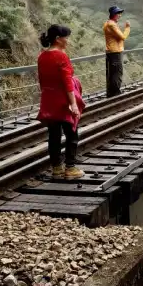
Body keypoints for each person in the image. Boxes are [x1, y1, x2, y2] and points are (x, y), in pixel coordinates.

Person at [37, 25, 85, 180]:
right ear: (58, 39)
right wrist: (73, 104)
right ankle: (70, 168)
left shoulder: (42, 56)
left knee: (54, 135)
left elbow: (42, 81)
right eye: (66, 37)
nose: (67, 41)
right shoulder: (61, 56)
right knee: (72, 132)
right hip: (63, 100)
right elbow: (67, 82)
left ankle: (56, 168)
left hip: (49, 100)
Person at [103, 5, 130, 97]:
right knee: (117, 73)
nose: (120, 15)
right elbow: (123, 37)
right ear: (113, 14)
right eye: (118, 13)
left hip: (112, 51)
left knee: (113, 73)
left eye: (120, 13)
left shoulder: (108, 23)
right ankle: (116, 94)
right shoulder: (112, 24)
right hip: (115, 52)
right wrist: (127, 28)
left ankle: (111, 94)